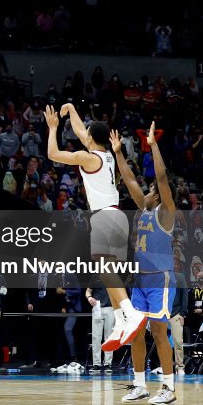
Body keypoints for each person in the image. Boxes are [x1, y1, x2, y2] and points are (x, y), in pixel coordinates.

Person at [46, 104, 141, 351]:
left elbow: (53, 154)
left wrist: (53, 128)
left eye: (86, 133)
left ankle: (129, 313)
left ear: (91, 138)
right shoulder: (105, 155)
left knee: (105, 271)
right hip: (116, 215)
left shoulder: (87, 157)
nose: (82, 134)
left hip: (104, 217)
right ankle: (121, 321)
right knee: (108, 275)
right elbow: (81, 131)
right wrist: (71, 109)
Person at [112, 123, 178, 404]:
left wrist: (153, 145)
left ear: (158, 194)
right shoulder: (144, 210)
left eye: (150, 190)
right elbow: (128, 180)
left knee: (159, 334)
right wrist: (118, 153)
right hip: (140, 281)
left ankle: (168, 388)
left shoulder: (165, 213)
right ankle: (140, 384)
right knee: (135, 332)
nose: (147, 192)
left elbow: (162, 177)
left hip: (160, 279)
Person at [86, 286, 115, 373]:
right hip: (97, 307)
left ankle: (108, 364)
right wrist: (89, 297)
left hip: (111, 307)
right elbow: (88, 291)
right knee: (96, 337)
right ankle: (96, 364)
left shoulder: (114, 277)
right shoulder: (95, 276)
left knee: (109, 337)